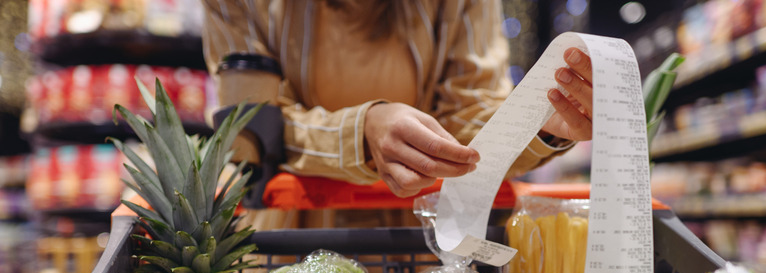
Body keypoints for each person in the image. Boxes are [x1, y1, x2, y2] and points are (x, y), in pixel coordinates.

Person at [200, 0, 593, 201]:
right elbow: (249, 125)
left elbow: (469, 118)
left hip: (420, 243)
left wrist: (538, 123)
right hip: (289, 239)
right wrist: (361, 133)